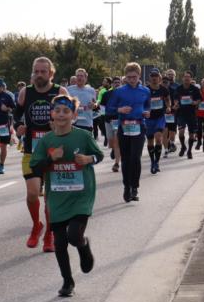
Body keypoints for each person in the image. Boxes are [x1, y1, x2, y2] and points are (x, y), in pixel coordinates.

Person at [29, 95, 103, 297]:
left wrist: (88, 158)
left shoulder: (83, 137)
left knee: (73, 236)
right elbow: (35, 167)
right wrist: (50, 158)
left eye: (66, 111)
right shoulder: (47, 141)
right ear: (52, 114)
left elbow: (99, 155)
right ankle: (67, 281)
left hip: (81, 195)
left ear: (74, 115)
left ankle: (83, 245)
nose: (61, 114)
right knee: (60, 243)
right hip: (57, 198)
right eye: (58, 110)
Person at [15, 57, 69, 251]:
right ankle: (37, 225)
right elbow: (16, 114)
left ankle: (49, 234)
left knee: (50, 198)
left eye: (43, 72)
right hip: (32, 150)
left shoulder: (60, 92)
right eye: (36, 71)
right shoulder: (25, 92)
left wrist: (60, 125)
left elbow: (71, 116)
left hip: (55, 150)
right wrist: (18, 125)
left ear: (51, 74)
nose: (38, 75)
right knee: (32, 194)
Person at [105, 62, 150, 202]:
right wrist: (119, 110)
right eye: (129, 77)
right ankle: (126, 187)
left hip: (139, 126)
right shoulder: (119, 91)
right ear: (125, 77)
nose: (132, 80)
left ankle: (134, 187)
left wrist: (147, 113)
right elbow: (108, 109)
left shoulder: (145, 91)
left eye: (134, 77)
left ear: (139, 76)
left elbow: (147, 106)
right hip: (124, 127)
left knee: (135, 158)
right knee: (126, 159)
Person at [143, 69, 171, 174]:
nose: (154, 78)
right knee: (150, 141)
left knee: (158, 138)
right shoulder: (145, 90)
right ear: (150, 78)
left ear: (159, 77)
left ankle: (157, 162)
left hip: (160, 117)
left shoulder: (164, 89)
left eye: (156, 76)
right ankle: (152, 161)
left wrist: (168, 107)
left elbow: (168, 99)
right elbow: (141, 102)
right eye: (152, 76)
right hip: (148, 119)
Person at [173, 70, 201, 159]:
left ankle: (189, 150)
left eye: (188, 77)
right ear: (182, 78)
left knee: (191, 134)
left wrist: (195, 102)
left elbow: (199, 99)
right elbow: (176, 99)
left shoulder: (195, 89)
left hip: (191, 113)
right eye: (185, 77)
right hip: (181, 113)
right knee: (181, 133)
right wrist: (176, 103)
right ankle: (183, 147)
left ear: (191, 79)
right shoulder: (178, 88)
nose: (186, 79)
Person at [66, 68, 98, 135]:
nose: (79, 78)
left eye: (81, 76)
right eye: (78, 76)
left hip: (87, 123)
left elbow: (95, 104)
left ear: (86, 78)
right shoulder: (69, 90)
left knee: (85, 144)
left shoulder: (91, 90)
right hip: (72, 123)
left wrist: (94, 105)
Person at [162, 69, 179, 154]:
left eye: (172, 74)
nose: (170, 76)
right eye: (169, 74)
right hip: (162, 112)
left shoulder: (176, 86)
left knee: (172, 129)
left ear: (174, 76)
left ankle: (171, 143)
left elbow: (178, 98)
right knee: (165, 130)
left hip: (173, 111)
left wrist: (176, 105)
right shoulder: (161, 87)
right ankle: (167, 144)